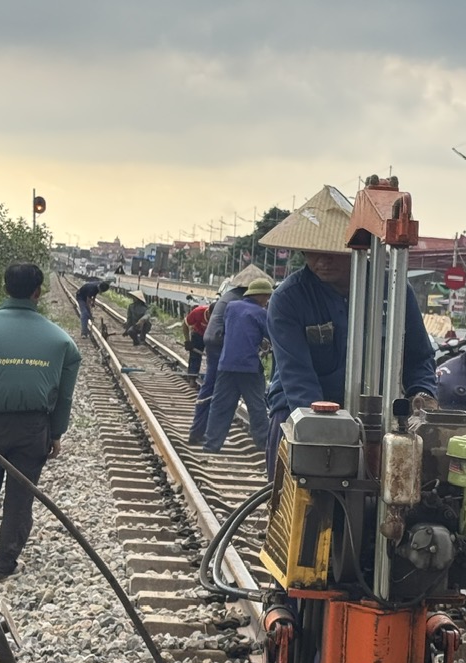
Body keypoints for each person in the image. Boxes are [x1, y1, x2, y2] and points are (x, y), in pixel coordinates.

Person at [261, 185, 438, 478]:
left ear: (358, 248)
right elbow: (297, 377)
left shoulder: (393, 291)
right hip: (302, 414)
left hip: (377, 417)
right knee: (300, 508)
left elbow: (418, 357)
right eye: (312, 252)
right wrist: (326, 429)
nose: (321, 261)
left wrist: (422, 395)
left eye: (331, 251)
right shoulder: (288, 299)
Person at [0, 263, 81, 580]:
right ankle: (6, 564)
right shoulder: (61, 341)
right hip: (35, 429)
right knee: (20, 499)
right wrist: (56, 432)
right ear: (38, 292)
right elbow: (64, 396)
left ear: (5, 287)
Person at [188, 265, 271, 443]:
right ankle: (204, 434)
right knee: (220, 392)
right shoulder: (242, 302)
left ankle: (198, 432)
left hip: (213, 341)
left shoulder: (230, 296)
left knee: (211, 388)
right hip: (222, 345)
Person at [183, 297, 210, 378]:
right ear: (208, 312)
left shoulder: (219, 316)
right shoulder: (198, 312)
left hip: (212, 336)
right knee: (195, 356)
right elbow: (185, 324)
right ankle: (192, 379)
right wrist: (187, 341)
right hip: (198, 334)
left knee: (213, 358)